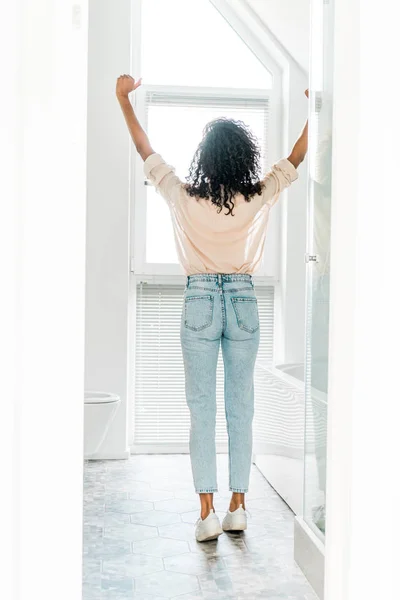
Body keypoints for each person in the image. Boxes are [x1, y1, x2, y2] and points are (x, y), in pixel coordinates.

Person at [116, 74, 308, 542]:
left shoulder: (182, 196)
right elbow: (296, 158)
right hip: (242, 300)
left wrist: (123, 99)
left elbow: (146, 150)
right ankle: (238, 506)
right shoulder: (255, 196)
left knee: (201, 410)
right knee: (241, 408)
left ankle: (206, 513)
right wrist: (318, 110)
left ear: (205, 159)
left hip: (199, 300)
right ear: (244, 157)